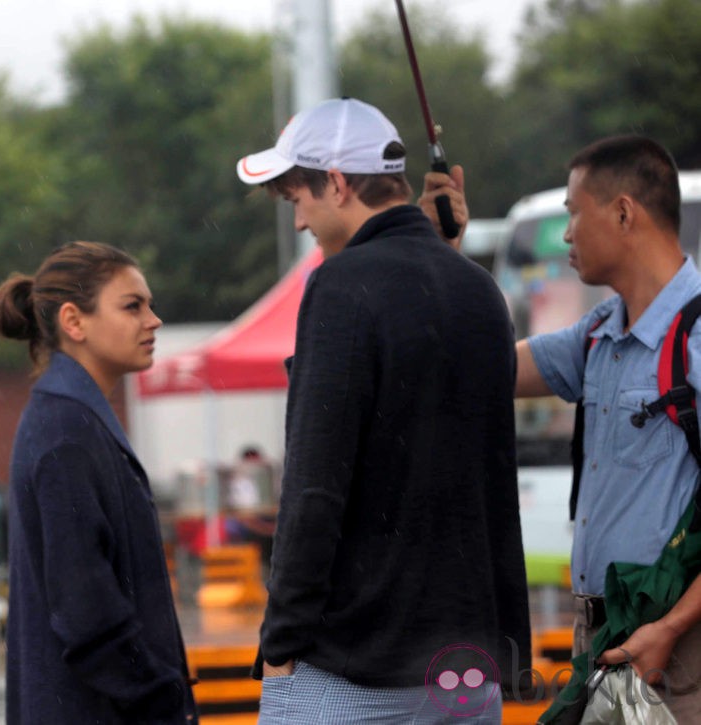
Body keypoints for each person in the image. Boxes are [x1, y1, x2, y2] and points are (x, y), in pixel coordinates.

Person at [235, 97, 531, 722]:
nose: (299, 222)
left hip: (356, 670)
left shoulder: (342, 286)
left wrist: (281, 641)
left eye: (298, 199)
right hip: (468, 665)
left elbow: (315, 484)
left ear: (337, 184)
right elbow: (489, 480)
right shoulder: (479, 291)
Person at [513, 135, 701, 721]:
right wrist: (442, 251)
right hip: (601, 635)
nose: (567, 234)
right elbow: (480, 367)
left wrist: (670, 628)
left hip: (680, 644)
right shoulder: (598, 333)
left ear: (623, 212)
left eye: (573, 212)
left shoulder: (696, 340)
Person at [0, 241, 197, 724]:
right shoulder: (66, 431)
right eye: (132, 306)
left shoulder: (74, 419)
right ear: (73, 321)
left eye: (149, 304)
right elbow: (86, 612)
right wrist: (159, 697)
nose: (154, 320)